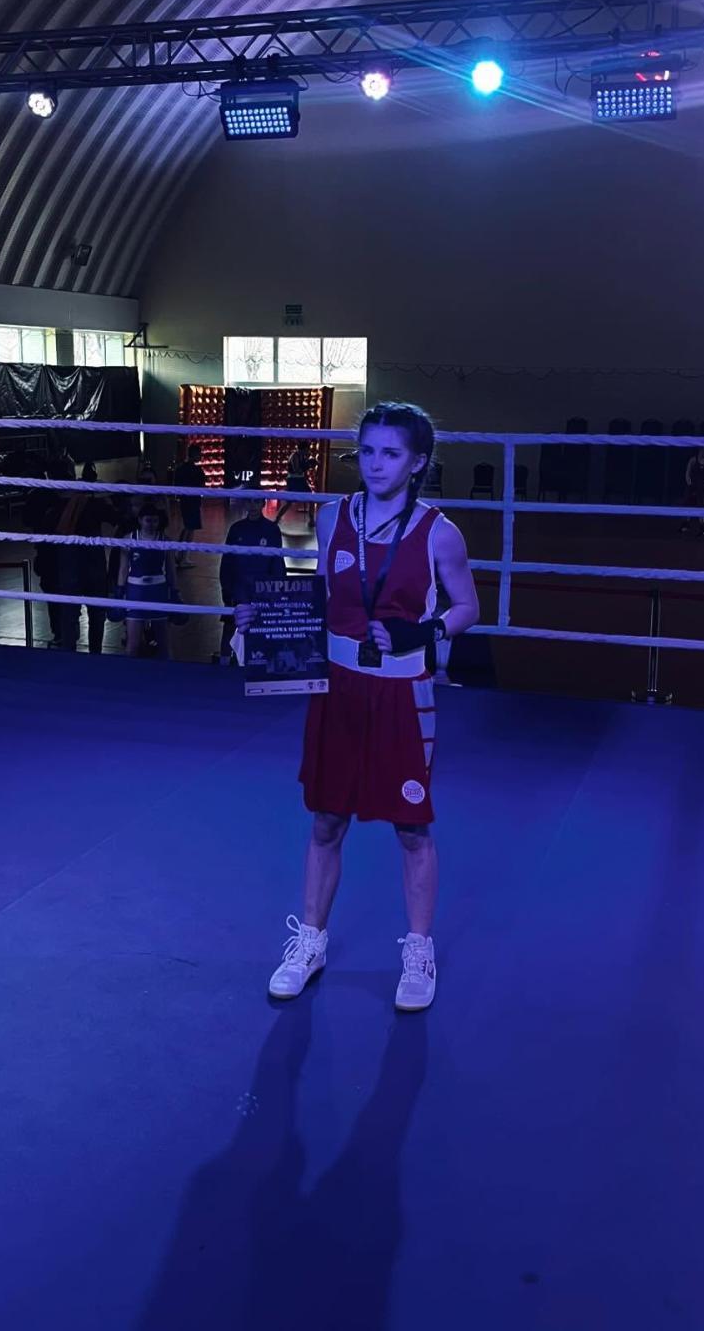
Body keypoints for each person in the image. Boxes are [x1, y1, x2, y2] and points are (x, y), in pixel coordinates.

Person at [235, 401, 480, 1013]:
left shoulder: (439, 533)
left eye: (391, 453)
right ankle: (311, 943)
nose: (375, 464)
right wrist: (262, 620)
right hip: (338, 688)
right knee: (326, 819)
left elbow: (467, 607)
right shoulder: (332, 518)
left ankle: (418, 951)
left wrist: (422, 632)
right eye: (367, 451)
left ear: (417, 461)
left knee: (412, 827)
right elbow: (324, 595)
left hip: (402, 692)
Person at [51, 458, 118, 653]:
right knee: (95, 614)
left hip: (68, 563)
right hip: (92, 564)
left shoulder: (55, 502)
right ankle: (94, 655)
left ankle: (70, 656)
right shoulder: (93, 501)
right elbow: (116, 517)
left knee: (70, 614)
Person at [216, 486, 287, 663]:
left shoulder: (272, 530)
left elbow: (277, 561)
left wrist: (279, 589)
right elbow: (227, 561)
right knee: (230, 624)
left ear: (263, 503)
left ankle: (261, 664)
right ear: (245, 503)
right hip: (239, 587)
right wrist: (226, 589)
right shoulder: (236, 529)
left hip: (262, 589)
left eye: (257, 501)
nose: (253, 505)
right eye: (250, 501)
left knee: (261, 627)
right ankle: (223, 664)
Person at [117, 505, 178, 659]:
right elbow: (123, 568)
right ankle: (128, 673)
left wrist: (175, 593)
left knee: (164, 643)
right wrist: (119, 592)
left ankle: (168, 672)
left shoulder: (165, 541)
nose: (151, 524)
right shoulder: (129, 539)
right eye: (148, 520)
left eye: (155, 521)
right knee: (133, 644)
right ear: (140, 520)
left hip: (158, 591)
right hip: (135, 591)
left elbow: (171, 569)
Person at [175, 443, 207, 568]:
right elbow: (202, 485)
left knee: (187, 528)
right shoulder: (197, 471)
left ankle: (179, 555)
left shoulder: (180, 469)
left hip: (184, 502)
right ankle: (183, 558)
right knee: (189, 529)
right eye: (199, 454)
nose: (201, 457)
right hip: (193, 502)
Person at [278, 440, 318, 527]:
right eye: (307, 449)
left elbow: (302, 470)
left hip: (301, 480)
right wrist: (308, 465)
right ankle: (277, 518)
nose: (308, 451)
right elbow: (297, 470)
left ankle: (311, 520)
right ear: (304, 449)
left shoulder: (303, 456)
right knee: (289, 501)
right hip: (293, 480)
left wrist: (310, 464)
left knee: (311, 498)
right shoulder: (294, 456)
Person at [680, 445, 704, 538]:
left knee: (702, 507)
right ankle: (685, 524)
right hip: (692, 486)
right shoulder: (693, 460)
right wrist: (690, 485)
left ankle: (702, 528)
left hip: (703, 488)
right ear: (702, 449)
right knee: (688, 505)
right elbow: (687, 473)